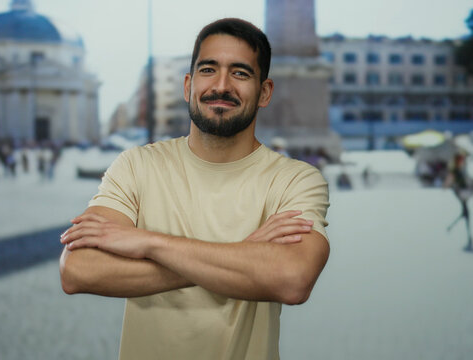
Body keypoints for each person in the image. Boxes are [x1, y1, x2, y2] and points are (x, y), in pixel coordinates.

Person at [59, 18, 330, 360]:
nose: (221, 85)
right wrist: (245, 252)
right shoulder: (136, 166)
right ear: (188, 85)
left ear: (264, 92)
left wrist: (149, 242)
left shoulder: (296, 179)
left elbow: (292, 279)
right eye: (208, 69)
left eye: (241, 73)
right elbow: (78, 270)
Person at [444, 151, 473, 251]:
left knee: (465, 213)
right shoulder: (455, 170)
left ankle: (469, 240)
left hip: (465, 192)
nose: (463, 161)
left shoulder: (461, 169)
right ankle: (469, 241)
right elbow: (449, 181)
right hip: (462, 192)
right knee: (465, 213)